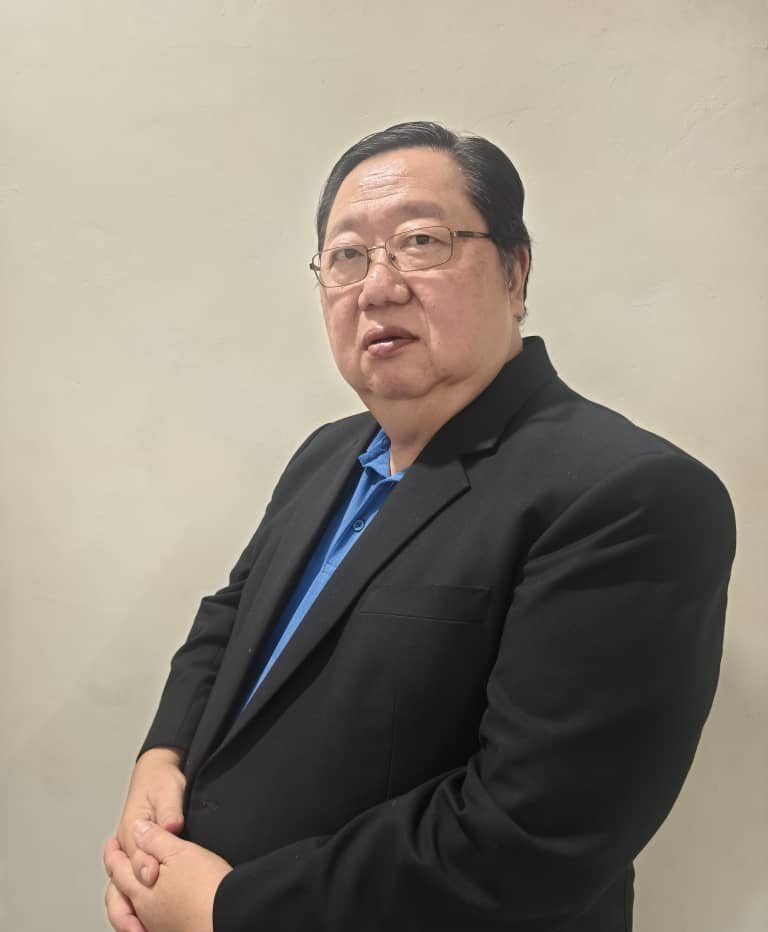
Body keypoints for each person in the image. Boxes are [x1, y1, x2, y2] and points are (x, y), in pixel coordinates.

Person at [103, 121, 736, 932]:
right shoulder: (327, 454)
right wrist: (160, 758)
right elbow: (231, 620)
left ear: (515, 271)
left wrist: (228, 909)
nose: (377, 287)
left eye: (421, 242)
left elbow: (529, 838)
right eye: (346, 256)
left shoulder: (628, 497)